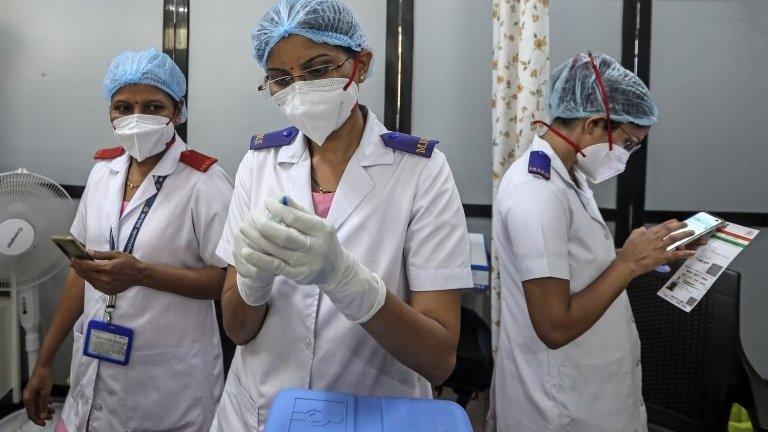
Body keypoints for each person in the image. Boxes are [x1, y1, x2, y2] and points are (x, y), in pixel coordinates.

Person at [210, 0, 473, 429]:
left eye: (317, 70)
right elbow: (237, 330)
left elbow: (440, 359)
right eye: (281, 79)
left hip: (371, 412)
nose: (300, 88)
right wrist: (251, 284)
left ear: (361, 64)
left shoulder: (420, 171)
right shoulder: (258, 164)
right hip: (257, 412)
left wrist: (346, 281)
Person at [22, 48, 233, 431]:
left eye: (153, 106)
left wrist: (142, 275)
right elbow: (79, 273)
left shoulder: (204, 183)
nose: (137, 118)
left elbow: (229, 283)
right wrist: (44, 360)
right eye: (123, 107)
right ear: (109, 111)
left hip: (167, 383)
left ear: (177, 111)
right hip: (93, 370)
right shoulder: (104, 172)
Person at [492, 52, 699, 432]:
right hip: (559, 408)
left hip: (591, 397)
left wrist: (643, 253)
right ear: (595, 123)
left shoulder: (570, 178)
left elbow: (577, 267)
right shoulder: (535, 192)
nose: (627, 155)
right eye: (628, 143)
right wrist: (628, 264)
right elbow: (554, 325)